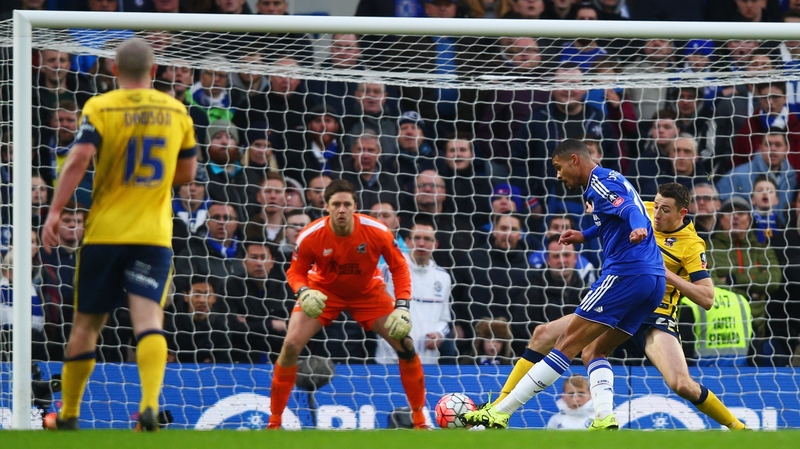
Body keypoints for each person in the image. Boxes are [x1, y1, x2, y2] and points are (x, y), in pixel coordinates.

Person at [470, 182, 748, 431]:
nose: (657, 214)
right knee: (548, 335)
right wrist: (588, 227)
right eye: (656, 206)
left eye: (665, 210)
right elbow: (611, 216)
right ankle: (499, 408)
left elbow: (707, 298)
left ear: (682, 214)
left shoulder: (691, 245)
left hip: (656, 316)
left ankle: (736, 427)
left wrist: (664, 272)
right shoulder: (645, 210)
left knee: (681, 384)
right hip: (621, 301)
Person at [41, 38, 197, 431]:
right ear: (155, 69)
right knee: (148, 320)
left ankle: (70, 415)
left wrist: (56, 210)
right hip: (153, 234)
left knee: (87, 325)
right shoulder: (177, 110)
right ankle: (148, 406)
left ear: (113, 70)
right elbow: (188, 175)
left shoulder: (101, 106)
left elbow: (79, 157)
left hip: (105, 233)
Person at [462, 138, 666, 429]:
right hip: (653, 281)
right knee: (594, 351)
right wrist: (584, 235)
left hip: (626, 273)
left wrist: (636, 228)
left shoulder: (600, 182)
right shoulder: (610, 180)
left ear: (574, 159)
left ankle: (500, 412)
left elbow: (632, 212)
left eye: (558, 168)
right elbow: (614, 218)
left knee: (564, 345)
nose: (558, 175)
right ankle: (605, 417)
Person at [267, 179, 427, 429]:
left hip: (367, 292)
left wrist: (402, 306)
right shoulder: (310, 235)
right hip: (323, 291)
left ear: (355, 207)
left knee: (406, 345)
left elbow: (399, 268)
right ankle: (274, 421)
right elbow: (295, 272)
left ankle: (419, 419)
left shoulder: (377, 231)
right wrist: (304, 291)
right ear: (326, 207)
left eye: (347, 204)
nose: (341, 209)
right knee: (290, 345)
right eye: (336, 204)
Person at [375, 220, 455, 365]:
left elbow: (445, 319)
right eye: (417, 238)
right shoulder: (388, 269)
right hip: (389, 360)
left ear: (435, 244)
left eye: (427, 239)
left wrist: (439, 334)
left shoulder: (443, 277)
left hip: (428, 361)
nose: (422, 244)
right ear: (408, 242)